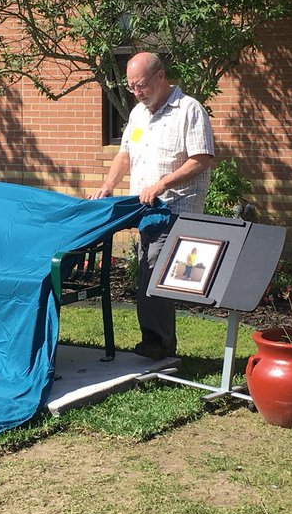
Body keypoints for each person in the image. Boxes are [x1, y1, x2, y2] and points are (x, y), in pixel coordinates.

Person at [89, 52, 215, 360]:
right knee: (150, 272)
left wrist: (162, 183)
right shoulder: (138, 115)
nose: (136, 92)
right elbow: (125, 155)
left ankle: (157, 344)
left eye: (141, 85)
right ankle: (158, 342)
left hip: (175, 208)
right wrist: (108, 184)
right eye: (132, 86)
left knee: (153, 270)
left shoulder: (189, 110)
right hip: (147, 213)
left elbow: (202, 159)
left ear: (160, 76)